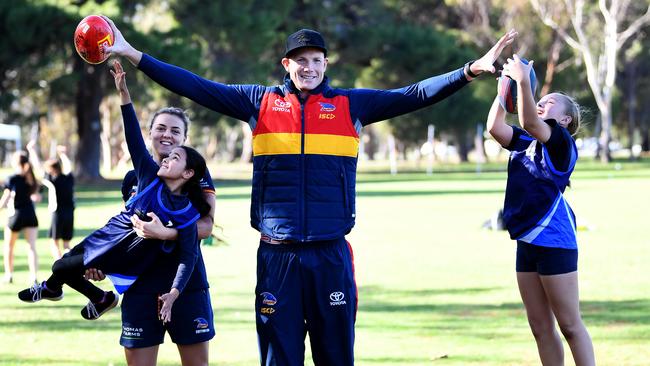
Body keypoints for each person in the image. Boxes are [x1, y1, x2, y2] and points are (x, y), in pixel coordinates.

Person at [104, 15, 516, 365]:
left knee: (335, 356)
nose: (309, 68)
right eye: (301, 61)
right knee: (279, 357)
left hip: (329, 253)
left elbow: (413, 95)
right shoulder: (258, 103)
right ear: (287, 64)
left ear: (325, 64)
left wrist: (470, 71)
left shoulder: (351, 105)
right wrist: (132, 53)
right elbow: (193, 85)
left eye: (316, 61)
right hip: (276, 255)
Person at [18, 60, 210, 324]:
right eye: (161, 129)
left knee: (60, 267)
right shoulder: (145, 174)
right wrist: (123, 93)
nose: (166, 157)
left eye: (175, 156)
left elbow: (189, 256)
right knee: (65, 265)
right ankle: (94, 297)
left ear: (188, 173)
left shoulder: (187, 210)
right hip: (110, 234)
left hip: (127, 252)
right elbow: (133, 136)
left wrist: (175, 292)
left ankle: (62, 290)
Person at [86, 73, 217, 364]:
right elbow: (127, 235)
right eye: (160, 128)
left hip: (186, 284)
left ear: (185, 139)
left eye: (175, 131)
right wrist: (100, 263)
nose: (166, 135)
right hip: (139, 286)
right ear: (149, 134)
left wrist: (167, 234)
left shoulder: (197, 176)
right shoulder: (134, 178)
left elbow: (206, 227)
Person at [487, 54, 595, 365]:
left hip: (554, 239)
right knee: (540, 327)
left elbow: (529, 121)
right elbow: (495, 127)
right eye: (540, 99)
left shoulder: (560, 142)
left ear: (565, 120)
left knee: (570, 325)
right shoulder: (525, 141)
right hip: (526, 240)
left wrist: (523, 80)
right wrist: (503, 91)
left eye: (550, 102)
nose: (541, 103)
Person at [26, 141, 76, 260]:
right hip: (70, 213)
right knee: (66, 244)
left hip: (57, 213)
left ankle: (60, 264)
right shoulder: (68, 178)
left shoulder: (52, 180)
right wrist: (63, 154)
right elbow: (68, 165)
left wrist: (31, 151)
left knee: (54, 242)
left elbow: (37, 167)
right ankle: (69, 263)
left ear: (51, 170)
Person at [1, 151, 40, 284]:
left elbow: (5, 198)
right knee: (32, 247)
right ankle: (34, 276)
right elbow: (36, 194)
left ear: (16, 162)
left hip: (15, 215)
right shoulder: (31, 178)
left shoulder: (12, 178)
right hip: (30, 214)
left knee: (9, 247)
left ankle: (9, 275)